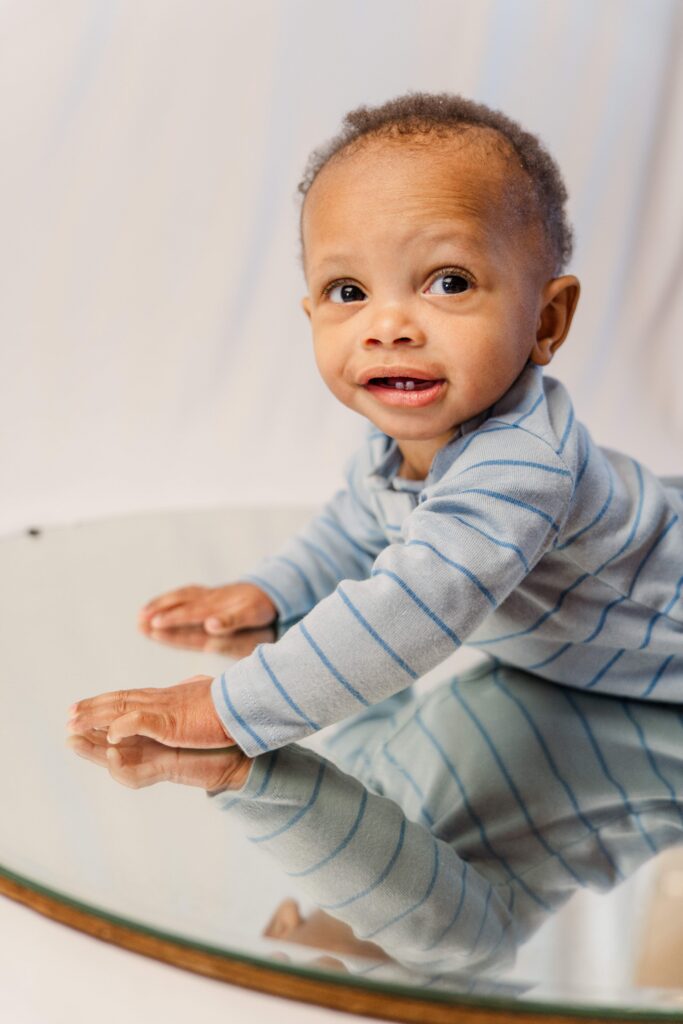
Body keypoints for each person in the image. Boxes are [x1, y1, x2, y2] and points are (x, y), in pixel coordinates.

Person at [68, 91, 683, 758]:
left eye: (448, 282)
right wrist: (272, 591)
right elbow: (355, 529)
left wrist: (229, 706)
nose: (387, 327)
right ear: (311, 316)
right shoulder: (397, 447)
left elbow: (410, 611)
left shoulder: (521, 466)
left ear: (546, 320)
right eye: (349, 292)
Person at [68, 660, 683, 976]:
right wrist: (238, 777)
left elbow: (363, 678)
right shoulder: (450, 955)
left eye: (281, 984)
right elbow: (412, 906)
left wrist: (273, 627)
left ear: (280, 927)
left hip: (608, 651)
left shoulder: (355, 770)